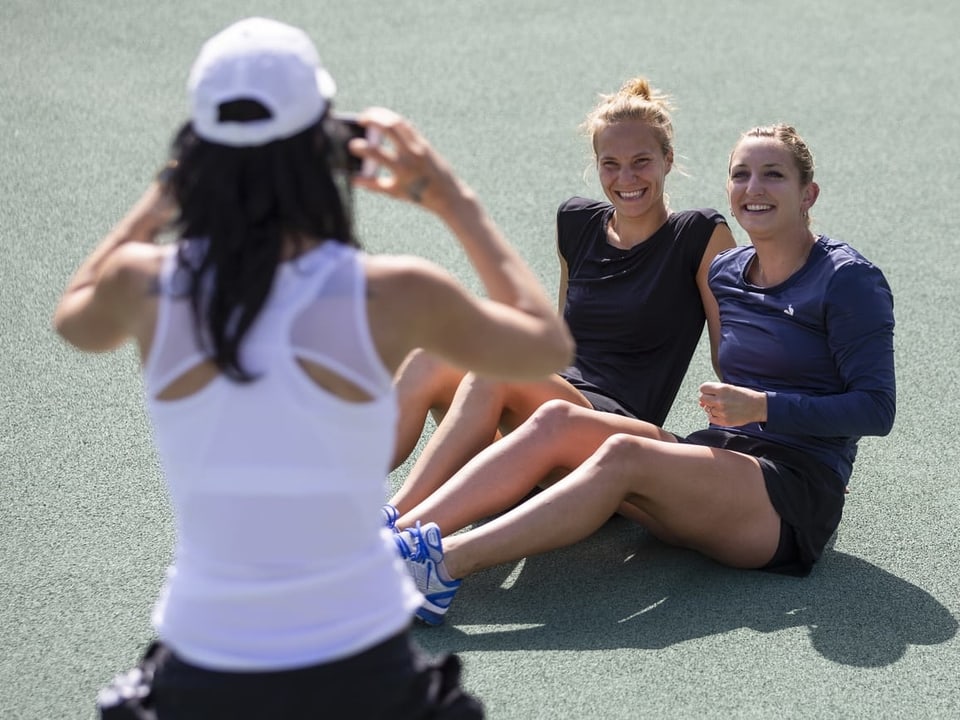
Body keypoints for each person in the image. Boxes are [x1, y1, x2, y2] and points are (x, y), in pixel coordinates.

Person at [53, 17, 573, 719]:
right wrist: (449, 196)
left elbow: (74, 318)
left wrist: (165, 193)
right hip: (363, 667)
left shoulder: (141, 282)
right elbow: (547, 347)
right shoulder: (391, 292)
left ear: (198, 147)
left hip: (203, 664)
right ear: (323, 147)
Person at [393, 123, 896, 626]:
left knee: (622, 453)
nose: (754, 188)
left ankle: (440, 565)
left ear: (808, 193)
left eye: (773, 175)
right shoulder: (727, 272)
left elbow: (876, 408)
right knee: (556, 419)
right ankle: (395, 536)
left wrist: (767, 408)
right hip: (720, 456)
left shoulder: (847, 278)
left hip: (789, 492)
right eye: (741, 174)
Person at [385, 77, 736, 519]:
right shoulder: (576, 221)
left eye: (641, 162)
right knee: (431, 356)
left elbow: (732, 355)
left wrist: (772, 433)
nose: (626, 178)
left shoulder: (700, 234)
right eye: (611, 164)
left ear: (668, 159)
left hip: (606, 432)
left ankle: (393, 525)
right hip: (544, 411)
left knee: (495, 372)